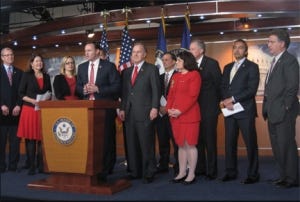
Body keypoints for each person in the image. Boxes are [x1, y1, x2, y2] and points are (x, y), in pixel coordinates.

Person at [76, 42, 121, 182]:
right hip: (87, 110)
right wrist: (83, 90)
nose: (86, 53)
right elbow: (77, 88)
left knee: (106, 140)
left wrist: (98, 89)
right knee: (90, 140)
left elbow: (117, 87)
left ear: (97, 51)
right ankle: (91, 167)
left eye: (89, 50)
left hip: (105, 110)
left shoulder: (109, 66)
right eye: (85, 51)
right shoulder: (82, 67)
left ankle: (106, 169)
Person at [119, 42, 161, 184]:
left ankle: (150, 172)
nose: (135, 54)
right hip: (129, 113)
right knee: (131, 144)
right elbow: (125, 93)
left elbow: (156, 90)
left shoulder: (152, 69)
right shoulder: (126, 72)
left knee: (146, 144)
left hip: (146, 112)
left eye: (138, 52)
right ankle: (134, 171)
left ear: (144, 54)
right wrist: (122, 108)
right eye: (133, 52)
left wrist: (155, 107)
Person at [262, 29, 299, 188]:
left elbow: (292, 87)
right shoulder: (275, 60)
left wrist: (285, 107)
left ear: (282, 44)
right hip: (272, 112)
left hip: (284, 112)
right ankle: (283, 176)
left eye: (271, 41)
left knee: (287, 146)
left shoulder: (289, 60)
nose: (268, 44)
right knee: (277, 147)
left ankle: (292, 179)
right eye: (268, 41)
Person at [220, 39, 260, 184]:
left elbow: (251, 90)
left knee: (250, 144)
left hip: (245, 111)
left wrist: (233, 99)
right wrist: (226, 100)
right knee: (229, 143)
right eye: (235, 48)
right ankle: (230, 172)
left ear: (246, 51)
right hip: (229, 111)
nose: (237, 50)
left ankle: (253, 175)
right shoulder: (227, 67)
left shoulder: (252, 67)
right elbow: (223, 86)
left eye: (240, 48)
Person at [167, 51, 201, 185]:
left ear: (186, 61)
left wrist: (180, 110)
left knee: (190, 145)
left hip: (189, 116)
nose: (177, 62)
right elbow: (170, 95)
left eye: (179, 60)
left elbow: (193, 96)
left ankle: (191, 174)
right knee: (181, 146)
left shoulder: (194, 75)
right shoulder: (175, 76)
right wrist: (169, 109)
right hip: (175, 116)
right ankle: (181, 172)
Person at [189, 39, 222, 180]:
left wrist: (218, 105)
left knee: (209, 140)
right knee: (197, 140)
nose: (189, 52)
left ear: (201, 50)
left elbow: (219, 85)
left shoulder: (212, 63)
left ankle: (212, 170)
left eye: (192, 49)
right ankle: (201, 168)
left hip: (209, 109)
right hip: (193, 110)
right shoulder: (189, 65)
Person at [17, 54, 52, 175]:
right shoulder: (26, 75)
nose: (39, 63)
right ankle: (31, 166)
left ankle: (41, 166)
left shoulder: (47, 76)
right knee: (31, 140)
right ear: (31, 64)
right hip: (29, 110)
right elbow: (21, 93)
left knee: (41, 140)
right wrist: (33, 101)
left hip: (42, 111)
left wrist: (46, 98)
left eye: (40, 61)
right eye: (36, 61)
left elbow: (50, 92)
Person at [0, 47, 23, 173]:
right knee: (1, 142)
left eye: (11, 55)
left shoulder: (19, 72)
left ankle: (13, 165)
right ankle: (1, 166)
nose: (10, 57)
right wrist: (1, 105)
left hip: (15, 112)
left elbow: (22, 92)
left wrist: (19, 105)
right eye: (7, 55)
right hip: (1, 113)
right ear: (2, 57)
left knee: (15, 141)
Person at [155, 52, 179, 175]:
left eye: (167, 60)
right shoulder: (159, 77)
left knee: (176, 142)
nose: (164, 62)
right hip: (161, 114)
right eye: (163, 60)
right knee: (162, 140)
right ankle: (163, 164)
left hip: (174, 114)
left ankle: (178, 166)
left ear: (174, 61)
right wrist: (159, 107)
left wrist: (168, 107)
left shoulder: (179, 75)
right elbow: (155, 94)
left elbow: (180, 96)